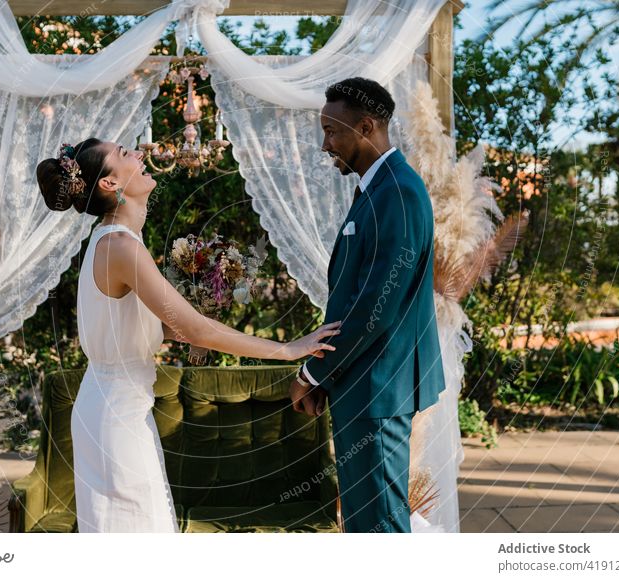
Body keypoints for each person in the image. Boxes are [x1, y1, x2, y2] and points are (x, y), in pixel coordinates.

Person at [36, 139, 341, 533]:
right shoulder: (118, 246)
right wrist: (287, 350)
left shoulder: (113, 239)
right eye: (124, 154)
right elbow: (194, 326)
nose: (139, 154)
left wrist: (187, 327)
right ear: (111, 184)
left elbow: (147, 326)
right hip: (116, 418)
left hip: (116, 410)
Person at [288, 78, 447, 533]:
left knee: (380, 525)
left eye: (331, 131)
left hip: (378, 384)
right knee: (363, 521)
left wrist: (312, 373)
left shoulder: (398, 193)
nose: (325, 144)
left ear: (366, 126)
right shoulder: (378, 190)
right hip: (361, 382)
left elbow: (375, 305)